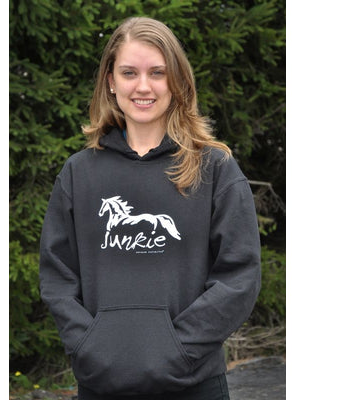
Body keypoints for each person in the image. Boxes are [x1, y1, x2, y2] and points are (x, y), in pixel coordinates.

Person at [39, 17, 261, 400]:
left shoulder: (214, 169)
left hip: (194, 385)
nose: (143, 86)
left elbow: (238, 277)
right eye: (129, 73)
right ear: (110, 81)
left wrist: (179, 351)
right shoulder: (79, 173)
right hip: (102, 385)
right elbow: (58, 276)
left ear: (176, 80)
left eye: (157, 72)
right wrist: (90, 348)